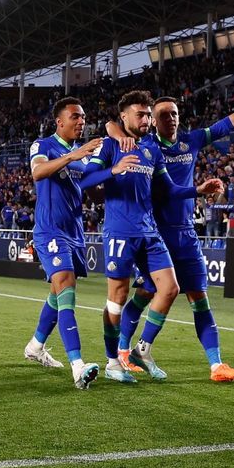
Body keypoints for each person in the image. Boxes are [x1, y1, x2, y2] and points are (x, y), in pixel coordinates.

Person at [110, 94, 234, 382]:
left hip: (186, 233)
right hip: (156, 233)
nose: (172, 118)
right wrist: (115, 130)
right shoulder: (148, 146)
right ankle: (124, 351)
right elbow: (110, 128)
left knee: (199, 297)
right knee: (145, 293)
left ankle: (216, 365)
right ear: (153, 120)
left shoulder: (190, 141)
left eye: (175, 113)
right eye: (164, 115)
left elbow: (225, 125)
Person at [83, 91, 188, 384]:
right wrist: (113, 170)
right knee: (116, 299)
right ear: (125, 116)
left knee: (169, 288)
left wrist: (198, 190)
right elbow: (86, 181)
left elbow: (169, 189)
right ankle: (113, 361)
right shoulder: (108, 146)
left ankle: (142, 349)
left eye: (148, 114)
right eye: (140, 114)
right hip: (120, 233)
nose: (146, 119)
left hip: (149, 232)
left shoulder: (152, 148)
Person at [24, 96, 106, 389]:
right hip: (50, 231)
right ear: (59, 121)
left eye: (83, 117)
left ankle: (35, 346)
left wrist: (111, 175)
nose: (81, 121)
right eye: (75, 116)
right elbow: (38, 172)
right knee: (67, 287)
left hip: (75, 232)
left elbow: (92, 191)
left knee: (57, 294)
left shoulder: (83, 155)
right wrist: (74, 155)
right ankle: (78, 366)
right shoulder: (43, 145)